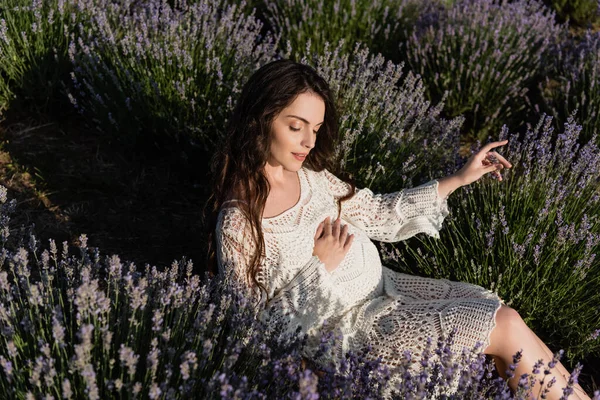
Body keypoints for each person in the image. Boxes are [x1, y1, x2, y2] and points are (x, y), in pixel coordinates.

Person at [206, 59, 590, 399]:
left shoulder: (313, 178)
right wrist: (318, 267)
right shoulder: (240, 223)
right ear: (261, 120)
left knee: (503, 315)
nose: (309, 141)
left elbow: (378, 211)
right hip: (349, 339)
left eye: (317, 129)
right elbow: (251, 332)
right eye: (296, 126)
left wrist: (458, 178)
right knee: (503, 327)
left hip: (390, 292)